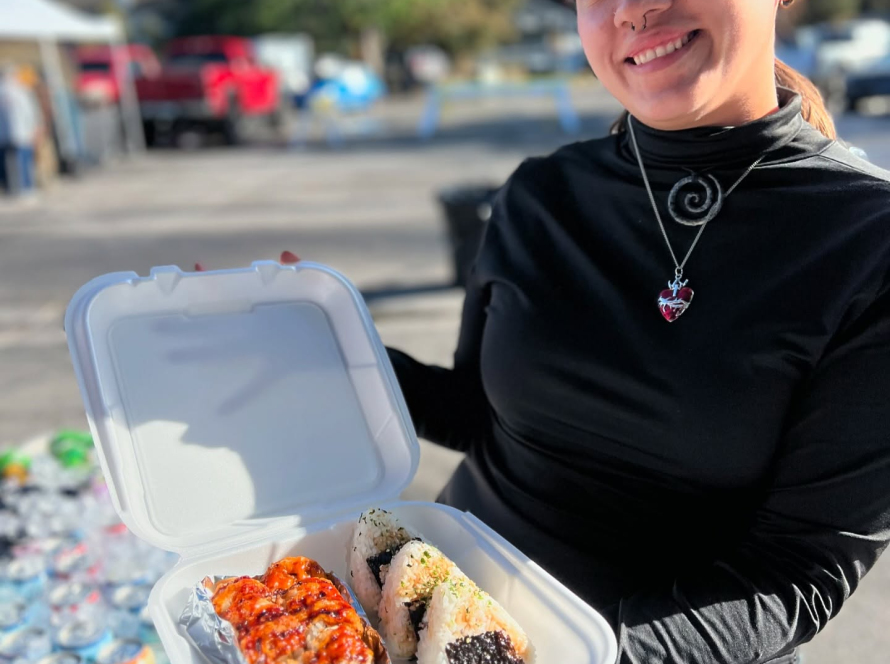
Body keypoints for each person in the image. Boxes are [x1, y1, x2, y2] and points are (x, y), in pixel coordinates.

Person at [200, 1, 889, 661]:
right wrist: (327, 347)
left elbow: (798, 570)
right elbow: (480, 414)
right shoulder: (541, 194)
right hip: (430, 609)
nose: (633, 9)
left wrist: (575, 657)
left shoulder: (866, 243)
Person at [0, 64, 42, 199]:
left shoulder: (19, 91)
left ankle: (18, 188)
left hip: (15, 133)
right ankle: (23, 188)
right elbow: (30, 112)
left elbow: (29, 112)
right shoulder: (19, 91)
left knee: (16, 162)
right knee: (20, 162)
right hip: (17, 133)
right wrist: (35, 127)